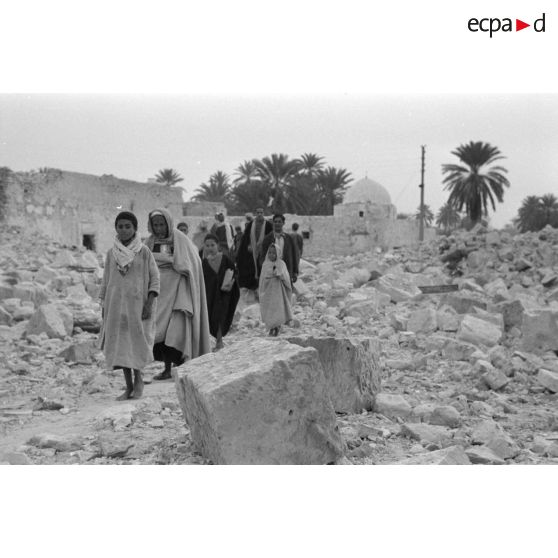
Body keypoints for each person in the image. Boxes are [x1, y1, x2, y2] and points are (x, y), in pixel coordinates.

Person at [98, 211, 160, 400]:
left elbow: (155, 278)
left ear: (135, 229)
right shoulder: (111, 253)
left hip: (137, 307)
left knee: (136, 343)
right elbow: (106, 280)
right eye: (120, 226)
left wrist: (149, 303)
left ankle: (139, 380)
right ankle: (128, 386)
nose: (124, 230)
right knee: (120, 345)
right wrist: (104, 307)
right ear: (115, 228)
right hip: (116, 307)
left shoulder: (143, 252)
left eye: (128, 226)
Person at [145, 208, 211, 380]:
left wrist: (177, 265)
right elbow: (144, 264)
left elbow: (192, 261)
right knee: (161, 332)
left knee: (176, 329)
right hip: (159, 293)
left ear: (168, 223)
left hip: (178, 291)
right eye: (155, 225)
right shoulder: (149, 242)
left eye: (161, 224)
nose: (159, 228)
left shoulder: (180, 239)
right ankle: (167, 368)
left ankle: (182, 364)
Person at [201, 233, 240, 351]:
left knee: (220, 317)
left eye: (212, 245)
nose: (210, 248)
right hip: (210, 297)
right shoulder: (203, 263)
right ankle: (217, 340)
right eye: (207, 245)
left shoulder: (225, 258)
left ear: (218, 245)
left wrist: (230, 282)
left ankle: (219, 341)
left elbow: (234, 272)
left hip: (224, 295)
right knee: (212, 318)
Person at [259, 244, 293, 336]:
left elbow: (285, 276)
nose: (271, 255)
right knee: (270, 310)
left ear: (278, 253)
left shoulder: (281, 264)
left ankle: (277, 327)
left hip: (278, 292)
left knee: (278, 309)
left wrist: (279, 274)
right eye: (269, 252)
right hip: (268, 292)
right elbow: (262, 279)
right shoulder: (265, 264)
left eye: (274, 253)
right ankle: (271, 327)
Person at [236, 207, 273, 290]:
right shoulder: (251, 224)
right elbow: (246, 237)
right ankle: (253, 286)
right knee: (251, 267)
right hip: (251, 250)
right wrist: (248, 245)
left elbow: (271, 237)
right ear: (255, 214)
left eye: (261, 212)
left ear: (263, 213)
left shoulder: (268, 225)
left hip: (264, 251)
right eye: (258, 213)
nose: (259, 214)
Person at [261, 213, 299, 285]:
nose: (277, 223)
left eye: (279, 222)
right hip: (271, 273)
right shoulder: (267, 239)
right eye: (275, 221)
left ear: (283, 223)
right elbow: (263, 256)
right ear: (273, 223)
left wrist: (295, 272)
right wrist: (265, 270)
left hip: (286, 272)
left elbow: (294, 255)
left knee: (286, 294)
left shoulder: (289, 238)